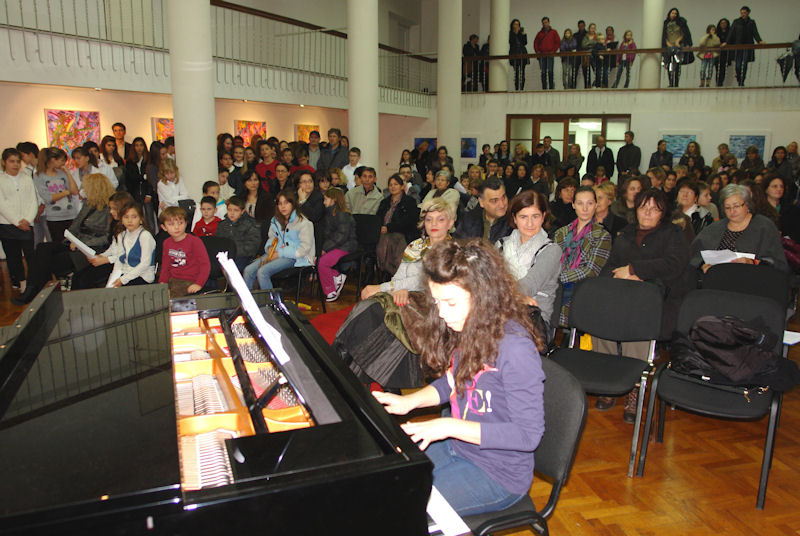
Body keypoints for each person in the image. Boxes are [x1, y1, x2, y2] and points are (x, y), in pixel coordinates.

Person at [372, 238, 546, 517]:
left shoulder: (515, 350)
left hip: (499, 473)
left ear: (483, 296)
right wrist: (409, 402)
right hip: (459, 448)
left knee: (405, 510)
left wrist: (449, 426)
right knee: (389, 487)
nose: (441, 313)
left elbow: (527, 435)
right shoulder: (469, 326)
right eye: (437, 301)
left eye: (451, 302)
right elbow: (454, 380)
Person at [597, 188, 690, 421]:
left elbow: (674, 265)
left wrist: (635, 270)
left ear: (663, 213)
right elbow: (611, 265)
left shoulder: (673, 234)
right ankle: (607, 380)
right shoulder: (625, 233)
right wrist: (617, 275)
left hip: (656, 297)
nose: (647, 213)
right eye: (643, 207)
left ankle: (635, 387)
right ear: (635, 210)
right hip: (622, 293)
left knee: (638, 319)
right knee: (601, 313)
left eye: (654, 209)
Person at [13, 173, 115, 305]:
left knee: (47, 262)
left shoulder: (109, 209)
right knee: (42, 248)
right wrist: (70, 238)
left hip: (91, 248)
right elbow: (76, 224)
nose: (83, 190)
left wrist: (81, 244)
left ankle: (34, 292)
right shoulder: (89, 204)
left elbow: (107, 238)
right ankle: (33, 290)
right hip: (76, 242)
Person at [497, 190, 562, 330]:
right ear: (514, 218)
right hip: (500, 310)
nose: (530, 223)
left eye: (535, 216)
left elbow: (528, 285)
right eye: (523, 217)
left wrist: (497, 294)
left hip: (534, 319)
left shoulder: (551, 250)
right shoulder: (501, 245)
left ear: (543, 217)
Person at [691, 184, 788, 276]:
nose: (732, 211)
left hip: (754, 280)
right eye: (727, 207)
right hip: (719, 278)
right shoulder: (715, 228)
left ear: (747, 204)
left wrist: (752, 262)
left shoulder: (764, 226)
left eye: (736, 206)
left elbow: (776, 263)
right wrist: (703, 265)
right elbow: (695, 256)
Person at [554, 186, 612, 326]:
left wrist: (558, 278)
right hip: (556, 287)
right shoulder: (561, 233)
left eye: (589, 203)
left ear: (596, 205)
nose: (585, 208)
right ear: (573, 205)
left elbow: (591, 270)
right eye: (580, 203)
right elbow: (553, 263)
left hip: (581, 290)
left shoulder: (602, 235)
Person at [243, 191, 315, 291]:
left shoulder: (304, 223)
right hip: (276, 254)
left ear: (293, 204)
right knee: (248, 270)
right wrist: (269, 248)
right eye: (280, 203)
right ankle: (247, 299)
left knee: (262, 272)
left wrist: (279, 253)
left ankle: (271, 300)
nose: (283, 206)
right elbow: (272, 238)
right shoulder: (275, 220)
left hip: (296, 257)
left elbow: (303, 249)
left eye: (286, 203)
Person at [91, 202, 156, 287]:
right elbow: (119, 260)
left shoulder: (145, 236)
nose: (130, 220)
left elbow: (145, 264)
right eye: (126, 217)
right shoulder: (122, 235)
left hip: (143, 276)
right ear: (121, 220)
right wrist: (113, 279)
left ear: (141, 219)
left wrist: (123, 280)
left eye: (134, 217)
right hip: (126, 273)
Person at [0, 148, 38, 293]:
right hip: (7, 224)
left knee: (30, 255)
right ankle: (20, 281)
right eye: (12, 161)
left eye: (17, 161)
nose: (15, 165)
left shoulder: (26, 178)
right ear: (4, 162)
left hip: (27, 224)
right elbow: (2, 204)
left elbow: (33, 201)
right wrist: (17, 221)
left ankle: (33, 282)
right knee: (13, 256)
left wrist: (27, 220)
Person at [158, 206, 210, 297]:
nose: (176, 227)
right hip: (173, 280)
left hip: (190, 281)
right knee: (157, 297)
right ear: (164, 227)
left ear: (186, 223)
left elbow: (205, 265)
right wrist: (162, 283)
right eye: (171, 224)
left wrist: (199, 283)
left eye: (180, 223)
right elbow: (165, 266)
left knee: (172, 300)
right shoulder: (166, 243)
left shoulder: (195, 241)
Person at [376, 174, 420, 276]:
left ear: (402, 186)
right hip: (384, 232)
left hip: (403, 233)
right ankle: (386, 270)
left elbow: (409, 221)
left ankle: (393, 271)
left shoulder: (409, 201)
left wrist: (389, 228)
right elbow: (378, 218)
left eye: (396, 184)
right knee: (382, 239)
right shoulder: (384, 202)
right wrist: (381, 228)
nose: (393, 187)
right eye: (390, 185)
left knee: (391, 240)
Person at [318, 188, 357, 301]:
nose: (324, 202)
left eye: (326, 199)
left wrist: (325, 248)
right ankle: (336, 276)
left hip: (345, 247)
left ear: (333, 199)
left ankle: (331, 291)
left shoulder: (343, 215)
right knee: (316, 260)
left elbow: (341, 236)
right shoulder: (328, 214)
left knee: (322, 263)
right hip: (335, 246)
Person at [33, 147, 79, 242]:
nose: (64, 163)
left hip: (71, 215)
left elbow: (75, 191)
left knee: (73, 244)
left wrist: (68, 173)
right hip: (54, 217)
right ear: (53, 160)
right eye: (62, 160)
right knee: (58, 245)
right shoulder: (39, 176)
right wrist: (66, 192)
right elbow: (48, 198)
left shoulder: (62, 173)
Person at [455, 177, 511, 243]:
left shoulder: (513, 222)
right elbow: (457, 245)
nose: (502, 205)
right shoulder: (468, 220)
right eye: (494, 201)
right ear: (481, 202)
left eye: (503, 197)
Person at [215, 196, 263, 273]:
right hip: (225, 256)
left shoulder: (250, 225)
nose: (232, 213)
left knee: (232, 269)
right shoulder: (222, 225)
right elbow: (217, 242)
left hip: (243, 256)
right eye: (229, 210)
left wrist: (233, 252)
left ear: (242, 211)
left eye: (236, 210)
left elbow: (252, 246)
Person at [727, 6, 764, 86]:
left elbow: (755, 33)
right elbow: (731, 32)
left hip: (747, 46)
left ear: (748, 13)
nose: (743, 14)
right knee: (738, 65)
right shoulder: (736, 21)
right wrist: (726, 42)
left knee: (744, 64)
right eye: (741, 13)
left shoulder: (751, 22)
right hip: (738, 46)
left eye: (744, 13)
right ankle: (739, 78)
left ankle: (742, 80)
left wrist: (759, 41)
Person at [662, 7, 692, 88]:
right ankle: (671, 82)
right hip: (668, 46)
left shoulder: (681, 22)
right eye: (672, 13)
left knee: (677, 65)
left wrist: (678, 41)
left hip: (678, 46)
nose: (674, 15)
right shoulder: (666, 23)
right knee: (669, 64)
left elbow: (684, 33)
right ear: (669, 14)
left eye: (675, 13)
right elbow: (664, 35)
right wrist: (667, 43)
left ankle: (676, 83)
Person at [534, 17, 560, 90]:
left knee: (550, 71)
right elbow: (535, 43)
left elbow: (557, 42)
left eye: (546, 22)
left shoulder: (554, 32)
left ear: (548, 22)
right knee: (543, 72)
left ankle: (551, 88)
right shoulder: (539, 33)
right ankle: (544, 88)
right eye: (543, 23)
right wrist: (537, 51)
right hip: (542, 55)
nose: (545, 24)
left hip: (550, 54)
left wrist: (554, 51)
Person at [509, 19, 529, 90]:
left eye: (517, 24)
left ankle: (522, 88)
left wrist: (524, 34)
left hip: (522, 53)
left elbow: (525, 42)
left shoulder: (521, 33)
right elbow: (511, 42)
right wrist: (515, 33)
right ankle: (517, 88)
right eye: (515, 24)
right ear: (512, 25)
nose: (516, 26)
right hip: (514, 54)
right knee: (517, 72)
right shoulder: (510, 33)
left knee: (522, 72)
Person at [715, 18, 732, 86]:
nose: (723, 24)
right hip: (717, 53)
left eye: (725, 23)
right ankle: (718, 82)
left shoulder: (729, 33)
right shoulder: (717, 32)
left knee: (723, 69)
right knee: (717, 68)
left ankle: (720, 82)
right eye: (722, 23)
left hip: (725, 53)